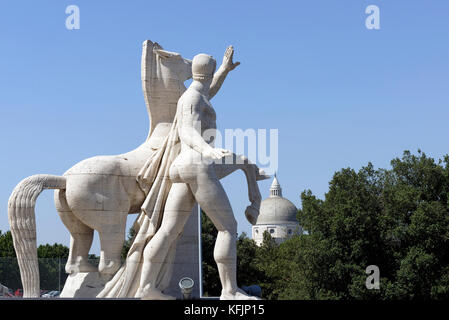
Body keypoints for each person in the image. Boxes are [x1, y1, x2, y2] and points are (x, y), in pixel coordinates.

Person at [136, 48, 259, 300]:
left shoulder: (197, 94)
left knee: (169, 231)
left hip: (183, 167)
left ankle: (146, 288)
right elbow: (187, 131)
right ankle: (229, 291)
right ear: (208, 72)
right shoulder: (192, 99)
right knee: (228, 229)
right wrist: (207, 150)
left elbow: (210, 88)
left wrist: (225, 69)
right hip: (197, 163)